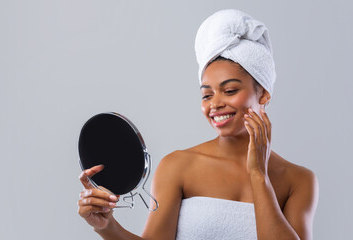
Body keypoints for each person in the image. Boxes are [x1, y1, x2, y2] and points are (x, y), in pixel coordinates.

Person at [78, 9, 319, 240]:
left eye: (230, 90)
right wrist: (107, 227)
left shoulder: (298, 181)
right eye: (206, 95)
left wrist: (259, 175)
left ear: (264, 94)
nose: (215, 104)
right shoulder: (178, 166)